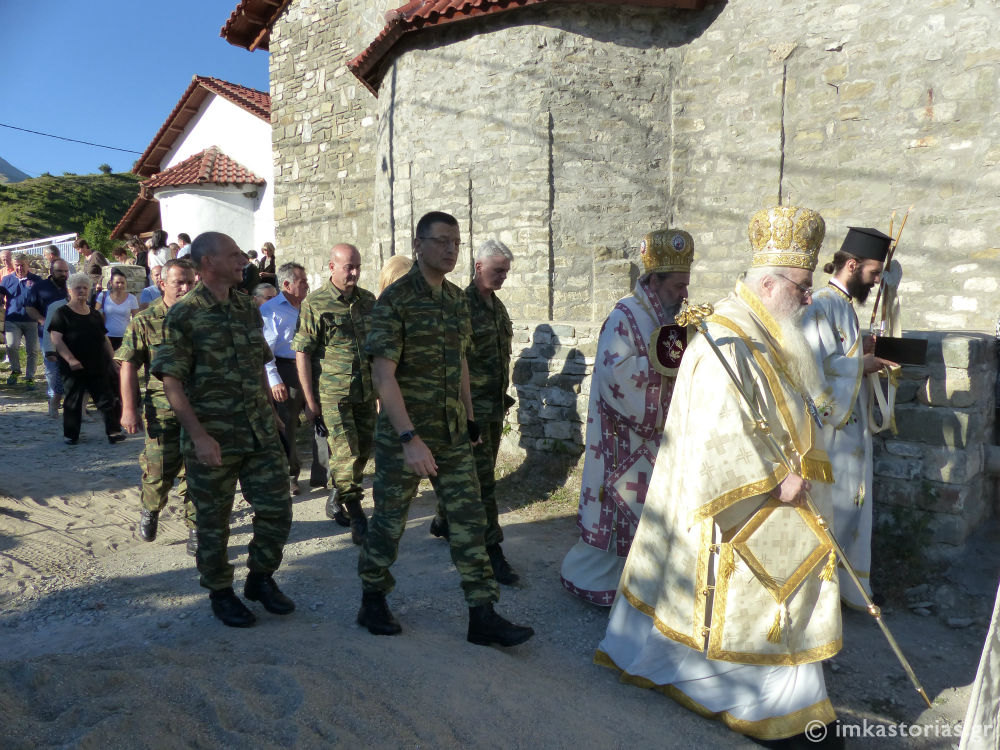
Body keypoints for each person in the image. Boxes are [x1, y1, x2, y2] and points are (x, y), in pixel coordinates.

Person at [595, 206, 842, 747]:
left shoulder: (769, 329)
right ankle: (769, 701)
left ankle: (787, 693)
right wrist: (772, 483)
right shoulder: (724, 339)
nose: (808, 297)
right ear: (770, 282)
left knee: (779, 595)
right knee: (750, 600)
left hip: (784, 490)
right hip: (743, 500)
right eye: (801, 286)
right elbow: (716, 435)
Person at [356, 211, 534, 647]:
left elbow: (462, 367)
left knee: (469, 521)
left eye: (455, 242)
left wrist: (471, 419)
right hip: (407, 438)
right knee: (390, 523)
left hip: (453, 436)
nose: (450, 249)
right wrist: (408, 438)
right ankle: (372, 598)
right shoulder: (394, 302)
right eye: (441, 241)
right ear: (418, 246)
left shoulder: (456, 301)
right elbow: (384, 376)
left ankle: (482, 614)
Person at [152, 231, 294, 629]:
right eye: (233, 255)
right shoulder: (184, 315)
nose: (242, 261)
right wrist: (198, 436)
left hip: (259, 431)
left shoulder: (248, 307)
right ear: (208, 262)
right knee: (213, 522)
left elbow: (257, 365)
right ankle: (220, 591)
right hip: (212, 436)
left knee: (277, 509)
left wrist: (272, 412)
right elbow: (172, 382)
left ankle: (260, 579)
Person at [560, 228, 693, 604]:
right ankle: (600, 583)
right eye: (677, 286)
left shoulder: (669, 315)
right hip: (623, 437)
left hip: (658, 437)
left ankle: (645, 586)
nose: (684, 294)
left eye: (686, 285)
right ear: (654, 280)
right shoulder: (625, 316)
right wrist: (661, 366)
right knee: (621, 509)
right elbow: (614, 373)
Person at [802, 227, 893, 610]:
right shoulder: (821, 303)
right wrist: (862, 365)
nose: (875, 282)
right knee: (834, 510)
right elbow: (813, 367)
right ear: (852, 265)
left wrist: (864, 351)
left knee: (852, 509)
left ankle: (850, 590)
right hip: (832, 430)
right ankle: (823, 596)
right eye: (873, 273)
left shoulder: (845, 305)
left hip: (851, 430)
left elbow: (841, 355)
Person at [427, 239, 521, 584]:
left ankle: (443, 519)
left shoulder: (497, 307)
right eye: (498, 271)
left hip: (493, 410)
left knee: (479, 475)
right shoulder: (460, 305)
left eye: (506, 272)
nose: (503, 278)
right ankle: (493, 552)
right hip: (470, 413)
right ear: (479, 267)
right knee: (483, 485)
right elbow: (454, 362)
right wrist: (465, 414)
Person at [293, 244, 377, 543]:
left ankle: (336, 495)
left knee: (363, 450)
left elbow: (376, 348)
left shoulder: (368, 301)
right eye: (347, 267)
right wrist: (310, 400)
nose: (353, 273)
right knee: (347, 452)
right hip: (333, 394)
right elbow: (302, 353)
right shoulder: (315, 303)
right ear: (332, 266)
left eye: (357, 266)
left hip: (366, 392)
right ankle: (357, 516)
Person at [118, 259, 198, 555]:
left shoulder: (204, 318)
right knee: (159, 469)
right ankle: (151, 508)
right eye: (179, 282)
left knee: (197, 471)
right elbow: (128, 365)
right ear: (163, 284)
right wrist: (129, 408)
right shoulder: (145, 320)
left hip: (200, 409)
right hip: (162, 409)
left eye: (191, 281)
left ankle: (196, 528)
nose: (186, 288)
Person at [261, 261, 317, 496]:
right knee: (289, 424)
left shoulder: (311, 305)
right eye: (302, 281)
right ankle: (291, 474)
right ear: (286, 284)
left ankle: (324, 473)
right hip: (287, 370)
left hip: (313, 367)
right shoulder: (271, 310)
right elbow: (267, 349)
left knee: (320, 417)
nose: (307, 285)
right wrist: (274, 380)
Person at [48, 272, 124, 445]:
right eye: (77, 288)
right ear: (69, 290)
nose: (82, 291)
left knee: (106, 399)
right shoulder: (62, 313)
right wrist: (70, 359)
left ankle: (113, 432)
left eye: (85, 288)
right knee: (73, 400)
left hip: (98, 364)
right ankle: (71, 435)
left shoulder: (95, 314)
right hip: (73, 366)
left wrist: (113, 360)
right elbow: (56, 339)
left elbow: (104, 338)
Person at [26, 258, 71, 413]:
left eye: (66, 271)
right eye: (60, 271)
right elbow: (29, 308)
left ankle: (70, 400)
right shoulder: (40, 287)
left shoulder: (71, 287)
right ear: (51, 271)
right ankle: (54, 398)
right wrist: (42, 320)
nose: (63, 274)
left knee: (69, 366)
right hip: (47, 333)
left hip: (70, 334)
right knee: (52, 367)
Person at [1, 253, 44, 388]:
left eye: (22, 265)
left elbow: (42, 299)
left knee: (32, 350)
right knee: (11, 346)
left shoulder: (36, 280)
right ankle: (15, 369)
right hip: (12, 318)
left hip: (31, 320)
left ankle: (30, 377)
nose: (19, 268)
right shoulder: (6, 280)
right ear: (14, 265)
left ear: (28, 265)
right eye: (17, 265)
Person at [95, 267, 138, 350]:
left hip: (125, 338)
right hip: (106, 337)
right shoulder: (103, 296)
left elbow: (136, 319)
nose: (120, 285)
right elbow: (96, 315)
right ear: (111, 283)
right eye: (117, 282)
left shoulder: (132, 298)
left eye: (122, 282)